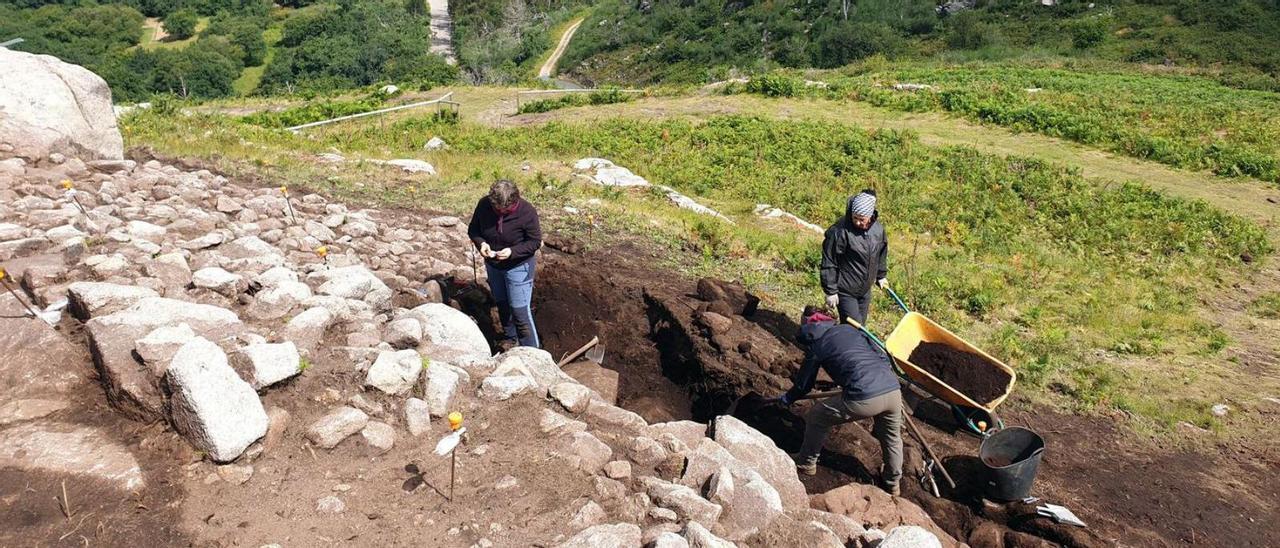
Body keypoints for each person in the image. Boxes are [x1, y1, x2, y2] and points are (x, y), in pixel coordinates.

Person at [778, 305, 903, 495]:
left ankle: (806, 462)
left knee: (818, 415)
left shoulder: (818, 346)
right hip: (893, 389)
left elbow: (804, 385)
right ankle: (893, 483)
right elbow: (882, 356)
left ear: (808, 328)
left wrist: (788, 398)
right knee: (892, 438)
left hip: (865, 396)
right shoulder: (849, 329)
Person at [467, 180, 542, 348]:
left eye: (505, 210)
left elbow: (535, 242)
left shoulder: (527, 212)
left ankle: (533, 353)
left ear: (514, 201)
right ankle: (510, 338)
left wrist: (512, 252)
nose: (500, 212)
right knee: (502, 305)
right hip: (493, 265)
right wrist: (482, 244)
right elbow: (474, 229)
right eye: (497, 209)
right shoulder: (484, 205)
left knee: (520, 313)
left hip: (519, 266)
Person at [821, 189, 888, 325]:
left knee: (860, 326)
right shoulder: (840, 231)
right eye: (854, 218)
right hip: (845, 290)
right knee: (853, 326)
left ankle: (843, 343)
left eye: (861, 219)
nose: (857, 222)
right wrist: (831, 291)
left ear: (870, 216)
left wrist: (881, 276)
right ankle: (836, 344)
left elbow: (881, 253)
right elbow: (829, 260)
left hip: (864, 290)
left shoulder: (878, 230)